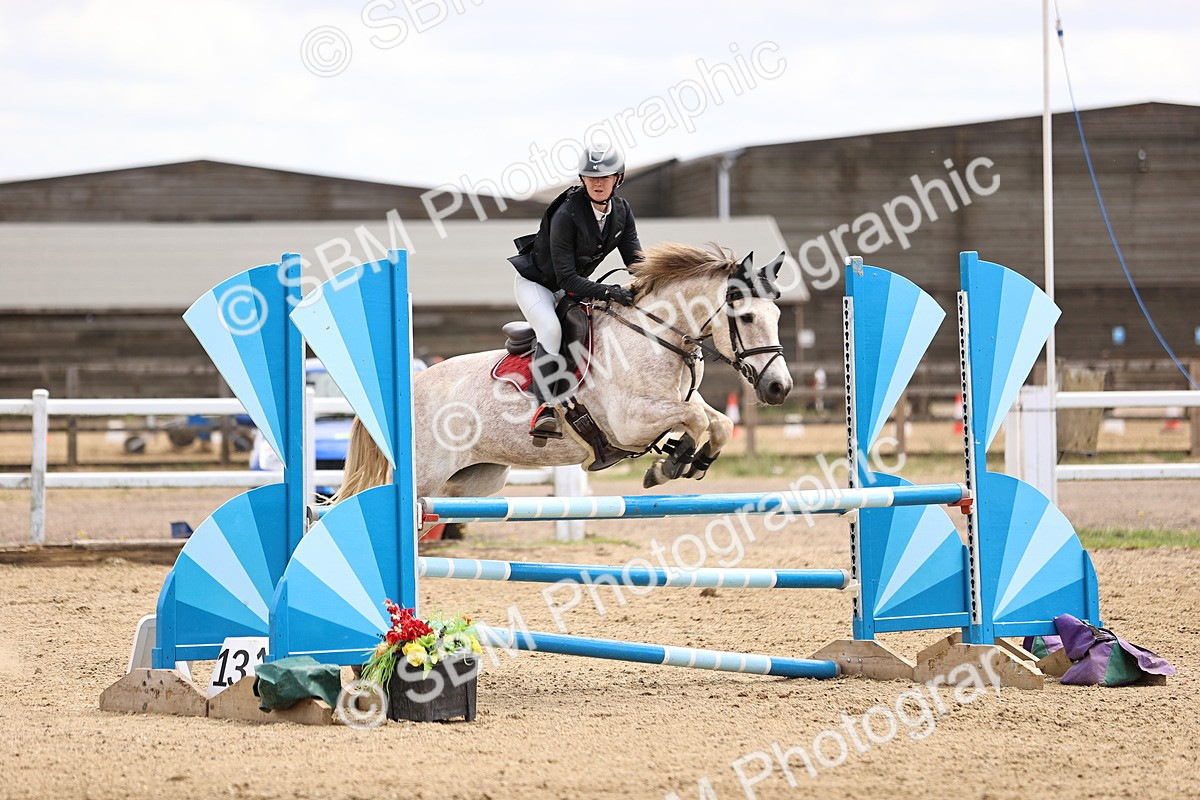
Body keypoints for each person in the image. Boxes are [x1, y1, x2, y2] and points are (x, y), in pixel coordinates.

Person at [508, 144, 642, 442]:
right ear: (582, 179)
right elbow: (567, 279)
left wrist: (657, 284)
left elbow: (636, 263)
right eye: (591, 177)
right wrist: (609, 292)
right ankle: (545, 409)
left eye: (605, 177)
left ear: (618, 179)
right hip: (538, 285)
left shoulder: (622, 211)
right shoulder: (567, 213)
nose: (597, 183)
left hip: (573, 287)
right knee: (552, 330)